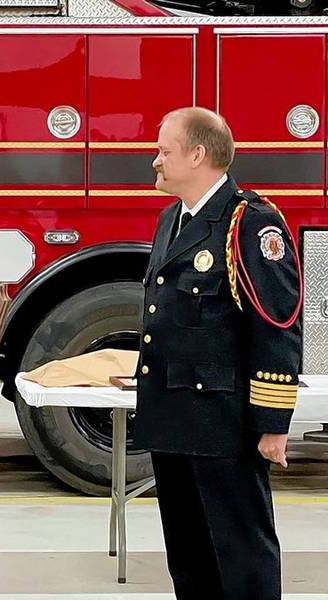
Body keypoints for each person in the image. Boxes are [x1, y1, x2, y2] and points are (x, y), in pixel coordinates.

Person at [134, 106, 302, 600]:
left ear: (198, 154)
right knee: (188, 557)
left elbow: (276, 324)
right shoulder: (172, 218)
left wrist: (272, 423)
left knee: (241, 552)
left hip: (222, 421)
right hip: (174, 415)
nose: (155, 162)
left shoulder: (249, 224)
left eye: (165, 151)